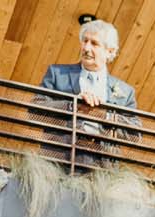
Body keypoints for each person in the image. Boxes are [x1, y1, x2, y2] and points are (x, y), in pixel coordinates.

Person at [36, 18, 139, 167]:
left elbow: (135, 135)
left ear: (109, 51)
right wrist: (73, 106)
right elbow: (35, 109)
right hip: (58, 162)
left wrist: (105, 115)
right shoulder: (57, 73)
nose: (86, 47)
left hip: (101, 169)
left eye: (94, 43)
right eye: (85, 41)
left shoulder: (126, 92)